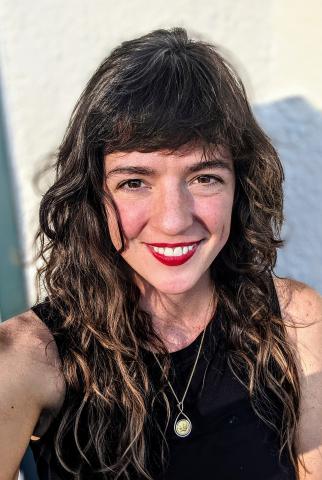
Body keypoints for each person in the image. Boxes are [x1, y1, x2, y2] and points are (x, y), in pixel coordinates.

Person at [0, 27, 321, 480]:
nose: (172, 220)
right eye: (134, 182)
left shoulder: (296, 321)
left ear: (239, 188)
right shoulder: (30, 356)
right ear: (93, 196)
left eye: (204, 178)